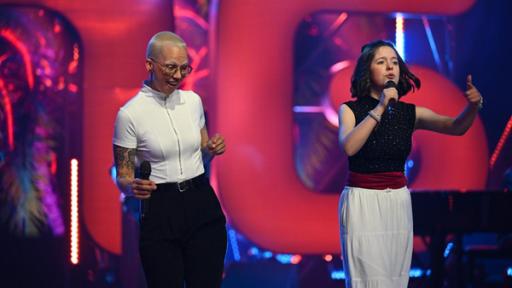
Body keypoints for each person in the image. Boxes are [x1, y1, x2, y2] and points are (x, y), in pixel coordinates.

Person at [338, 40, 482, 288]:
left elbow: (456, 127)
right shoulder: (349, 110)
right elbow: (350, 147)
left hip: (397, 201)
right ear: (366, 70)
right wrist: (381, 107)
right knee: (368, 280)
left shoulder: (409, 113)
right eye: (381, 62)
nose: (390, 67)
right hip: (362, 201)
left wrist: (472, 107)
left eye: (394, 62)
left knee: (394, 279)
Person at [113, 31, 226, 288]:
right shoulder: (130, 115)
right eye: (171, 67)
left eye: (184, 68)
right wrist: (132, 186)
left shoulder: (193, 102)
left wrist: (211, 148)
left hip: (201, 202)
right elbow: (123, 176)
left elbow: (202, 154)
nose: (178, 75)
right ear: (149, 65)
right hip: (161, 209)